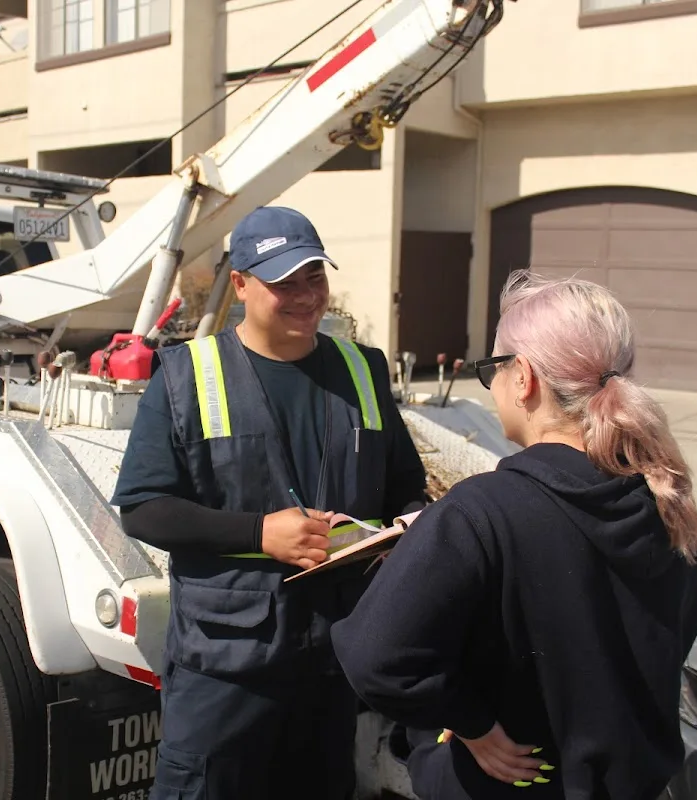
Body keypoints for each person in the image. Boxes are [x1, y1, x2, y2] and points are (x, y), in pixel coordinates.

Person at [330, 271, 697, 800]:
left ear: (524, 378)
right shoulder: (672, 506)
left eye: (494, 368)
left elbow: (374, 655)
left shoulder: (480, 514)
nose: (491, 385)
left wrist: (472, 724)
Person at [110, 205, 430, 800]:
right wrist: (260, 535)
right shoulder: (186, 374)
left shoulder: (363, 369)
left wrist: (401, 531)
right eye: (283, 282)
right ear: (240, 284)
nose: (305, 296)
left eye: (314, 276)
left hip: (333, 659)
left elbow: (406, 487)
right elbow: (144, 507)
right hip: (227, 665)